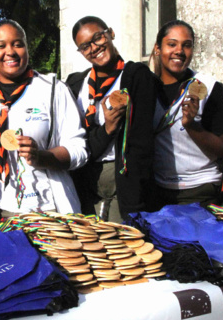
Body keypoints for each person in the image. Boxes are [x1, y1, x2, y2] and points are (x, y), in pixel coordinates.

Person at [0, 19, 88, 226]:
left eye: (17, 44)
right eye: (1, 45)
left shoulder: (53, 90)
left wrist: (42, 156)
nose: (10, 52)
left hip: (48, 212)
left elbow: (80, 151)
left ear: (26, 48)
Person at [66, 16, 156, 221]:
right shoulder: (76, 83)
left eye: (98, 37)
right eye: (85, 46)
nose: (94, 48)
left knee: (119, 244)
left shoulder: (135, 76)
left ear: (111, 33)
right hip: (86, 178)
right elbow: (73, 137)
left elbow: (141, 139)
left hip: (123, 180)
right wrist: (107, 129)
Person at [151, 20, 223, 208]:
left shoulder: (209, 88)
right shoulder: (147, 89)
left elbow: (221, 148)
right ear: (157, 48)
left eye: (186, 45)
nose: (179, 51)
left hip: (200, 189)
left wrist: (191, 125)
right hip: (158, 189)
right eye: (172, 44)